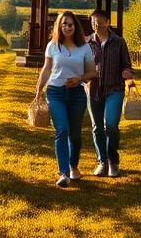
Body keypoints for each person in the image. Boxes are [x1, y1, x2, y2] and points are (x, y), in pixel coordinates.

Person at [33, 10, 97, 187]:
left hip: (77, 94)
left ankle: (73, 165)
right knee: (61, 129)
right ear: (59, 27)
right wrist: (39, 89)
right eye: (64, 24)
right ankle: (63, 173)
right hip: (55, 92)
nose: (67, 27)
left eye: (70, 24)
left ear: (75, 26)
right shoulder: (52, 45)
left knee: (75, 135)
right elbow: (47, 69)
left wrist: (79, 79)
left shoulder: (84, 47)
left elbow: (92, 72)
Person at [85, 8, 134, 177]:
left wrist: (127, 72)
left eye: (98, 22)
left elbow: (127, 64)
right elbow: (81, 66)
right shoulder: (87, 43)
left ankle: (113, 160)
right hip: (94, 90)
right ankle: (102, 161)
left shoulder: (119, 42)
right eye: (92, 22)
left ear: (107, 22)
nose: (95, 25)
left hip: (115, 89)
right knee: (97, 127)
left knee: (111, 125)